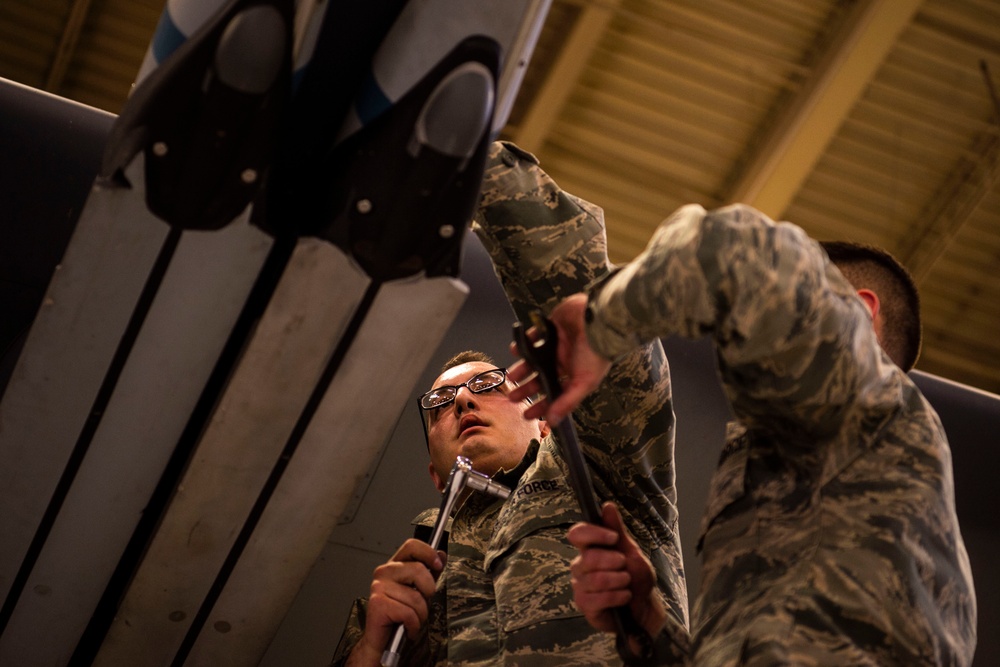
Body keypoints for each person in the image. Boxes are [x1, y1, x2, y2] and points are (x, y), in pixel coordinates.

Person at [508, 202, 978, 665]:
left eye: (817, 292)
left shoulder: (871, 403)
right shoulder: (848, 474)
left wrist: (601, 322)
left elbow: (734, 247)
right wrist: (649, 621)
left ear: (858, 311)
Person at [329, 142, 690, 666]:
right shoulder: (409, 590)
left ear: (543, 423)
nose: (464, 401)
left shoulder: (601, 475)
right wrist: (372, 650)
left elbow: (612, 344)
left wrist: (466, 157)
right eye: (440, 402)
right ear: (434, 473)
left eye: (489, 385)